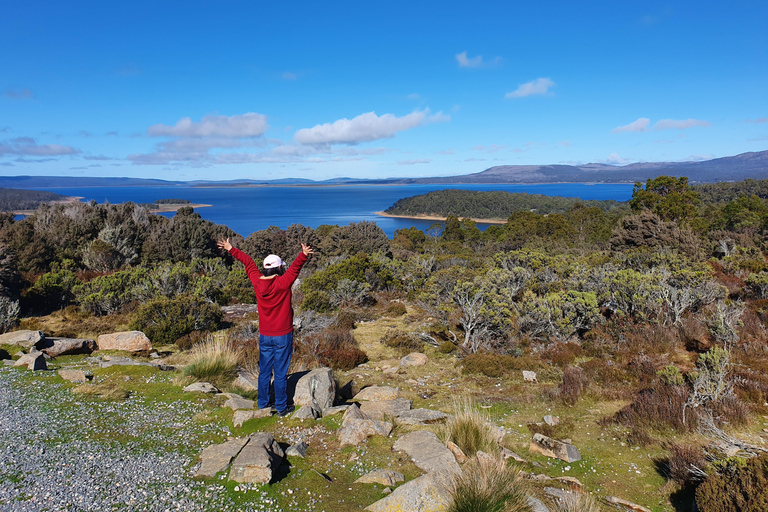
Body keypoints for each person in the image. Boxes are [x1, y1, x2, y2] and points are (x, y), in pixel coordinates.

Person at [217, 238, 314, 417]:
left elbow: (248, 262)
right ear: (279, 268)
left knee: (264, 372)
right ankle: (282, 407)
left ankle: (263, 404)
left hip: (265, 335)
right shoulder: (283, 283)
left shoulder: (256, 281)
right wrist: (303, 255)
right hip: (283, 335)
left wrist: (231, 249)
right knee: (280, 372)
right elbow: (295, 268)